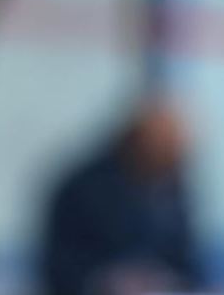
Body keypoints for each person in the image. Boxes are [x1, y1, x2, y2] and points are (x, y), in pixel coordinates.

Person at [39, 98, 204, 295]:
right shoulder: (83, 188)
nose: (169, 164)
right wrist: (106, 280)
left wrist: (166, 278)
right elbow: (60, 262)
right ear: (138, 141)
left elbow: (186, 259)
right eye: (162, 150)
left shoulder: (171, 186)